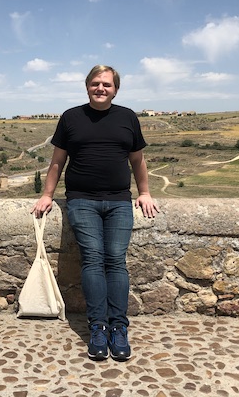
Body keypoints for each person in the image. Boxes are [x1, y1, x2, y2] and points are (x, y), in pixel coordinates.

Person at [31, 64, 159, 361]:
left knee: (115, 260)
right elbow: (57, 161)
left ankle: (119, 327)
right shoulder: (71, 117)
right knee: (92, 259)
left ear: (116, 89)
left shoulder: (127, 117)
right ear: (87, 86)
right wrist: (47, 195)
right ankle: (98, 326)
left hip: (118, 201)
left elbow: (137, 160)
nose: (101, 89)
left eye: (107, 85)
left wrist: (145, 193)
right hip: (81, 200)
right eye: (95, 84)